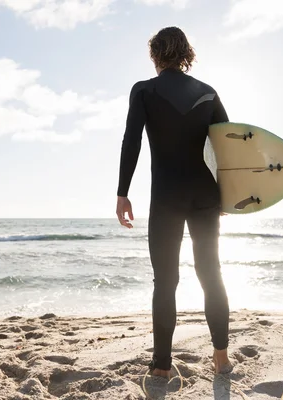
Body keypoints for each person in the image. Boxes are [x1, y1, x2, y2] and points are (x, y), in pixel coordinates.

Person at [115, 26, 233, 378]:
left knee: (165, 282)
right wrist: (227, 194)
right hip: (205, 195)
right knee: (211, 275)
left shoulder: (145, 90)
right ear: (185, 53)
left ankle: (162, 367)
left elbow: (131, 141)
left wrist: (123, 192)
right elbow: (228, 147)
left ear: (155, 55)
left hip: (167, 197)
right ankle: (222, 358)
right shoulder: (208, 93)